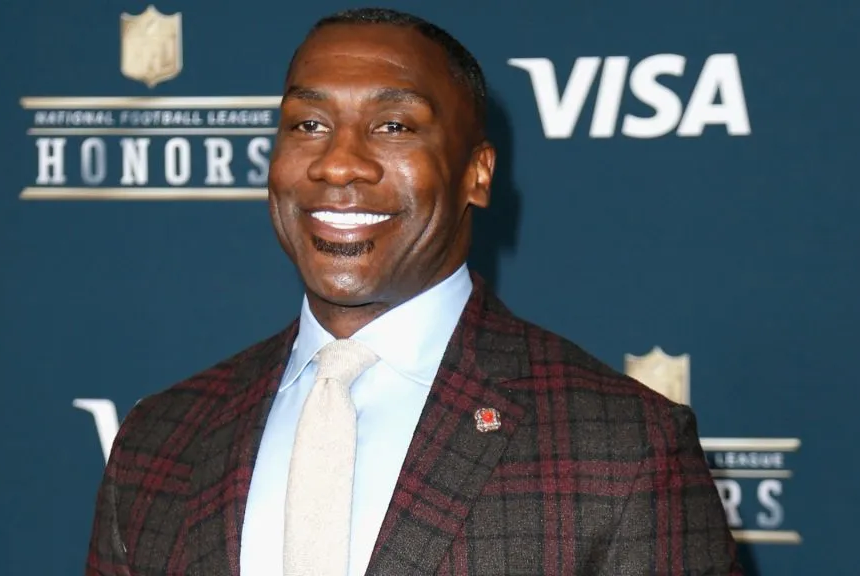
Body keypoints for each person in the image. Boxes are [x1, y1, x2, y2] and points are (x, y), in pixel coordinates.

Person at [85, 7, 742, 576]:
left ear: (477, 174)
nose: (338, 161)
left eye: (394, 126)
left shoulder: (621, 447)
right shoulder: (160, 438)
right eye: (307, 124)